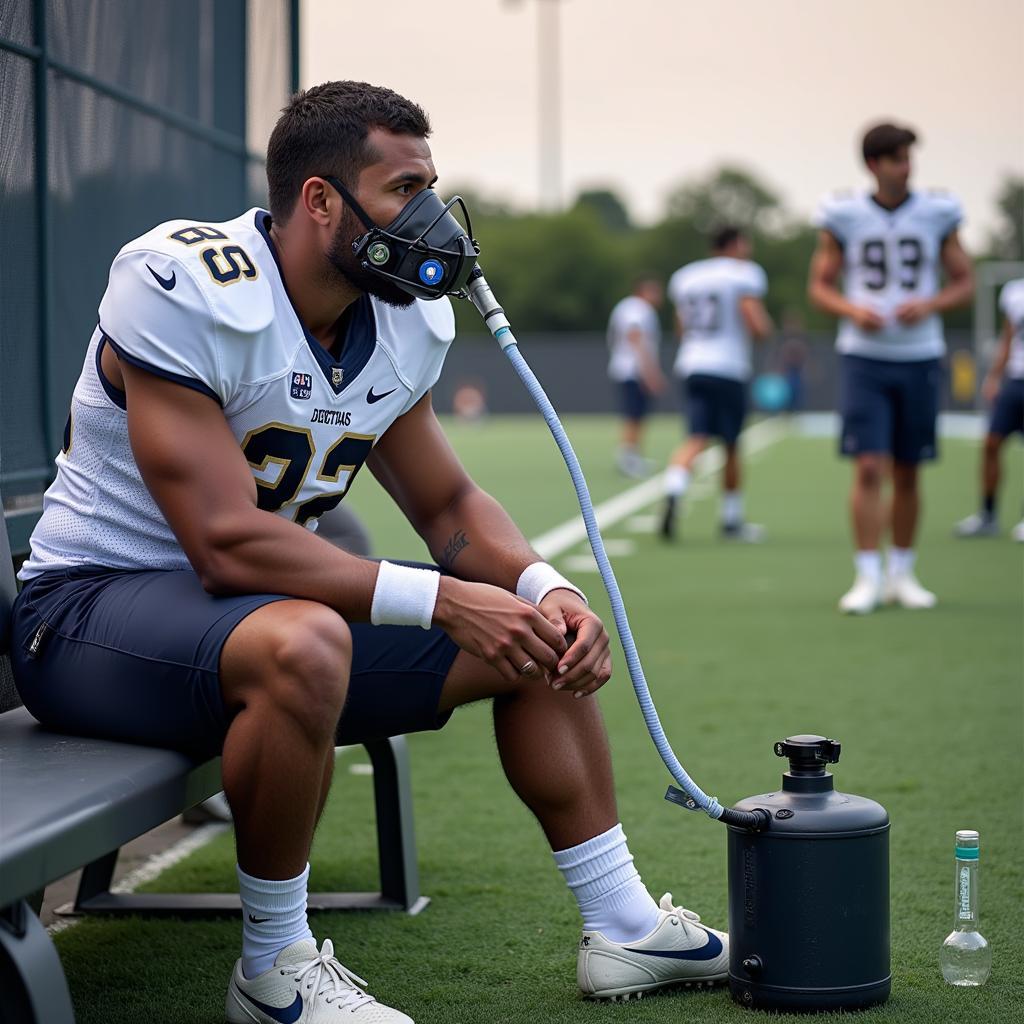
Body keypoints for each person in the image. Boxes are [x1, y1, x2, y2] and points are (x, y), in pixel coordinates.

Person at [9, 82, 727, 1023]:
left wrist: (542, 587)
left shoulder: (395, 317)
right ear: (318, 199)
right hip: (91, 618)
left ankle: (622, 923)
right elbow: (223, 544)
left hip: (245, 625)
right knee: (306, 640)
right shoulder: (188, 285)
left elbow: (449, 501)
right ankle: (273, 969)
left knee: (533, 633)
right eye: (401, 189)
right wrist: (437, 601)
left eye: (431, 185)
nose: (429, 215)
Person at [808, 122, 974, 614]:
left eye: (909, 157)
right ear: (874, 164)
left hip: (920, 354)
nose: (907, 166)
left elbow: (964, 280)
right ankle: (868, 575)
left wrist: (931, 304)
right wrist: (851, 310)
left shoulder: (937, 212)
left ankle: (902, 571)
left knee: (908, 469)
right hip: (864, 355)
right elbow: (820, 287)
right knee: (868, 464)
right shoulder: (844, 214)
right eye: (898, 158)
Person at [661, 226, 773, 541]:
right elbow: (755, 321)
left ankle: (673, 487)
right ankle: (731, 519)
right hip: (728, 367)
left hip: (693, 364)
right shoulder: (744, 274)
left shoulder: (686, 276)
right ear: (736, 244)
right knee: (732, 444)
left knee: (696, 436)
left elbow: (681, 327)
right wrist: (767, 333)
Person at [954, 277, 1024, 541]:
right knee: (991, 444)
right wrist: (994, 376)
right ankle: (988, 515)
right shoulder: (1015, 292)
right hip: (1016, 380)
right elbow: (1008, 339)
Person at [606, 276, 666, 477]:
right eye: (654, 291)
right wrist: (649, 373)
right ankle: (627, 458)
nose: (659, 296)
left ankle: (632, 455)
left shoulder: (631, 306)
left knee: (638, 415)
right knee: (633, 414)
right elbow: (635, 336)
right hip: (632, 370)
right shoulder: (637, 308)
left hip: (630, 369)